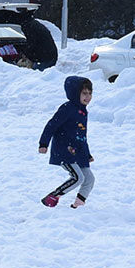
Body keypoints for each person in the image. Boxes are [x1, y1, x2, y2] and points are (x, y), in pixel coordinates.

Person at [39, 76, 95, 209]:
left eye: (90, 93)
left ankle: (78, 205)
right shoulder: (67, 108)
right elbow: (52, 125)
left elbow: (81, 136)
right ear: (75, 94)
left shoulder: (82, 111)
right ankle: (52, 196)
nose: (88, 97)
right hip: (64, 150)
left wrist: (87, 154)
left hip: (78, 151)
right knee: (78, 178)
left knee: (89, 179)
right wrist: (43, 143)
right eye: (84, 93)